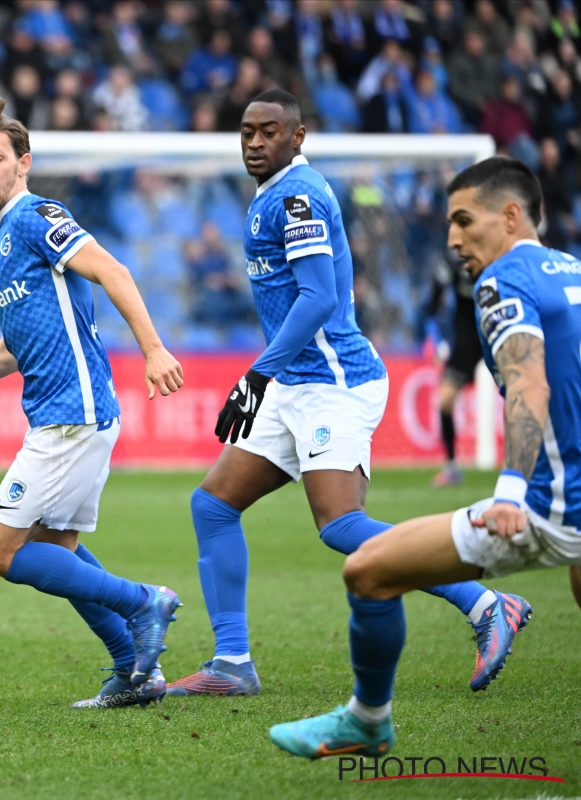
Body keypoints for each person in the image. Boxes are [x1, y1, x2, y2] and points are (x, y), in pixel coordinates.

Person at [166, 90, 501, 699]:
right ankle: (232, 662)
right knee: (212, 505)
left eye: (270, 131)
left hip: (333, 383)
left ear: (298, 136)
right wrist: (273, 375)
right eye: (247, 131)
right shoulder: (271, 195)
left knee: (341, 525)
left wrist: (258, 373)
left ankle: (484, 602)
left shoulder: (299, 195)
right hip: (296, 382)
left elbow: (319, 298)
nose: (255, 141)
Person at [270, 157, 578, 759]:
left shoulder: (502, 280)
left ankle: (367, 720)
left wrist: (512, 489)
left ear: (511, 216)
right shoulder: (569, 271)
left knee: (369, 571)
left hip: (553, 504)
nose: (453, 239)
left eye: (465, 221)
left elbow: (529, 385)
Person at [0, 101, 185, 709]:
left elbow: (111, 269)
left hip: (69, 417)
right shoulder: (1, 245)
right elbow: (11, 353)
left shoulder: (35, 217)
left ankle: (143, 602)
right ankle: (136, 670)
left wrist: (153, 349)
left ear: (22, 164)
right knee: (57, 551)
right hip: (71, 414)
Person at [426, 259, 481, 487]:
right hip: (466, 344)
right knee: (445, 402)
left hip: (497, 335)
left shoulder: (495, 260)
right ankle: (451, 467)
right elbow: (431, 306)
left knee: (517, 399)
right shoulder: (454, 266)